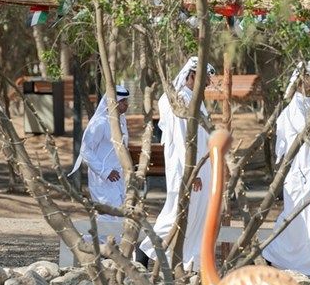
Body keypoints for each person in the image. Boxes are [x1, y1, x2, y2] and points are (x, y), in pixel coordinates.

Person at [140, 56, 216, 271]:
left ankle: (187, 262)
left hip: (200, 171)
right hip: (188, 171)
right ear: (192, 76)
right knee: (175, 215)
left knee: (193, 217)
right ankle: (144, 254)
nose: (208, 83)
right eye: (205, 78)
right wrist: (192, 172)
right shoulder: (180, 100)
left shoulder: (194, 100)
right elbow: (184, 141)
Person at [262, 61, 310, 276]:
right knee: (296, 220)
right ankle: (274, 255)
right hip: (301, 173)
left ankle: (308, 262)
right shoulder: (295, 108)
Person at [70, 85, 131, 218]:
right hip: (103, 179)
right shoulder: (99, 123)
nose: (126, 104)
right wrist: (105, 171)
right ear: (113, 102)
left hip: (119, 177)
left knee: (119, 215)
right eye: (123, 101)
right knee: (107, 217)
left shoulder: (121, 120)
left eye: (126, 101)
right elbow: (85, 150)